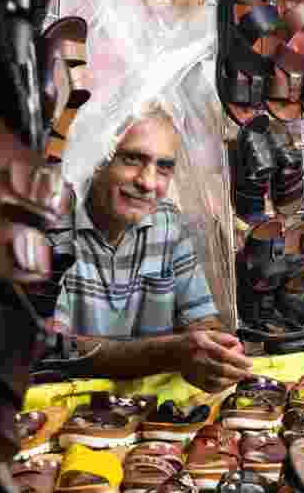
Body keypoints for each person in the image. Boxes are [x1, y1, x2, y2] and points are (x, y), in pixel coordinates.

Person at [51, 103, 252, 392]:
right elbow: (58, 349)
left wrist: (216, 350)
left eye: (164, 168)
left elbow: (202, 321)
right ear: (97, 160)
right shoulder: (52, 229)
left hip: (144, 418)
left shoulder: (167, 222)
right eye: (132, 159)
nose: (148, 182)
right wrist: (172, 352)